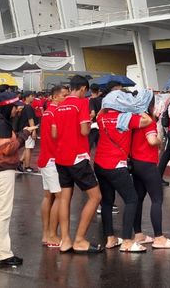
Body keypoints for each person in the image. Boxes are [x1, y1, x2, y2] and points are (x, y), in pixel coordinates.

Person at [94, 90, 153, 252]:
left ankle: (110, 238)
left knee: (107, 201)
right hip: (116, 165)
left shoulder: (101, 118)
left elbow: (100, 111)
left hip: (99, 163)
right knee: (132, 199)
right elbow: (147, 120)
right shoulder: (127, 118)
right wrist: (135, 107)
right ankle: (127, 240)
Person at [54, 75, 103, 254]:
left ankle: (65, 240)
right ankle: (80, 239)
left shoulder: (59, 105)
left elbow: (55, 132)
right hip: (77, 157)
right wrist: (89, 122)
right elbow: (84, 130)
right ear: (82, 88)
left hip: (60, 157)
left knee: (65, 198)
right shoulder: (81, 104)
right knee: (95, 197)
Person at [0, 92, 29, 266]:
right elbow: (8, 149)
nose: (18, 110)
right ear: (8, 107)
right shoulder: (1, 123)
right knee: (2, 212)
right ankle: (2, 254)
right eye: (16, 107)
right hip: (2, 171)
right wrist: (24, 135)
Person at [130, 97, 170, 248]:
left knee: (138, 198)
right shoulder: (148, 121)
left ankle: (138, 234)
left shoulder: (135, 120)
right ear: (149, 105)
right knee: (157, 199)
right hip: (148, 163)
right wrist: (159, 141)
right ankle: (159, 237)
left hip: (135, 162)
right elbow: (151, 140)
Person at [37, 85, 65, 248]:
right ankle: (52, 235)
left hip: (45, 158)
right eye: (63, 95)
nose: (65, 98)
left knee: (49, 196)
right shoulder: (55, 113)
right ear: (55, 97)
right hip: (53, 159)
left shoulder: (47, 112)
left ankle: (46, 233)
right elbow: (56, 135)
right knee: (59, 197)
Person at [19, 92, 38, 173]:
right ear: (27, 97)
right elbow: (30, 119)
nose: (33, 98)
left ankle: (20, 162)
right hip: (29, 129)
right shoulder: (28, 107)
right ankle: (27, 166)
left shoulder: (24, 106)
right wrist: (33, 131)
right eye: (31, 96)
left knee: (28, 147)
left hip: (25, 129)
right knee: (29, 148)